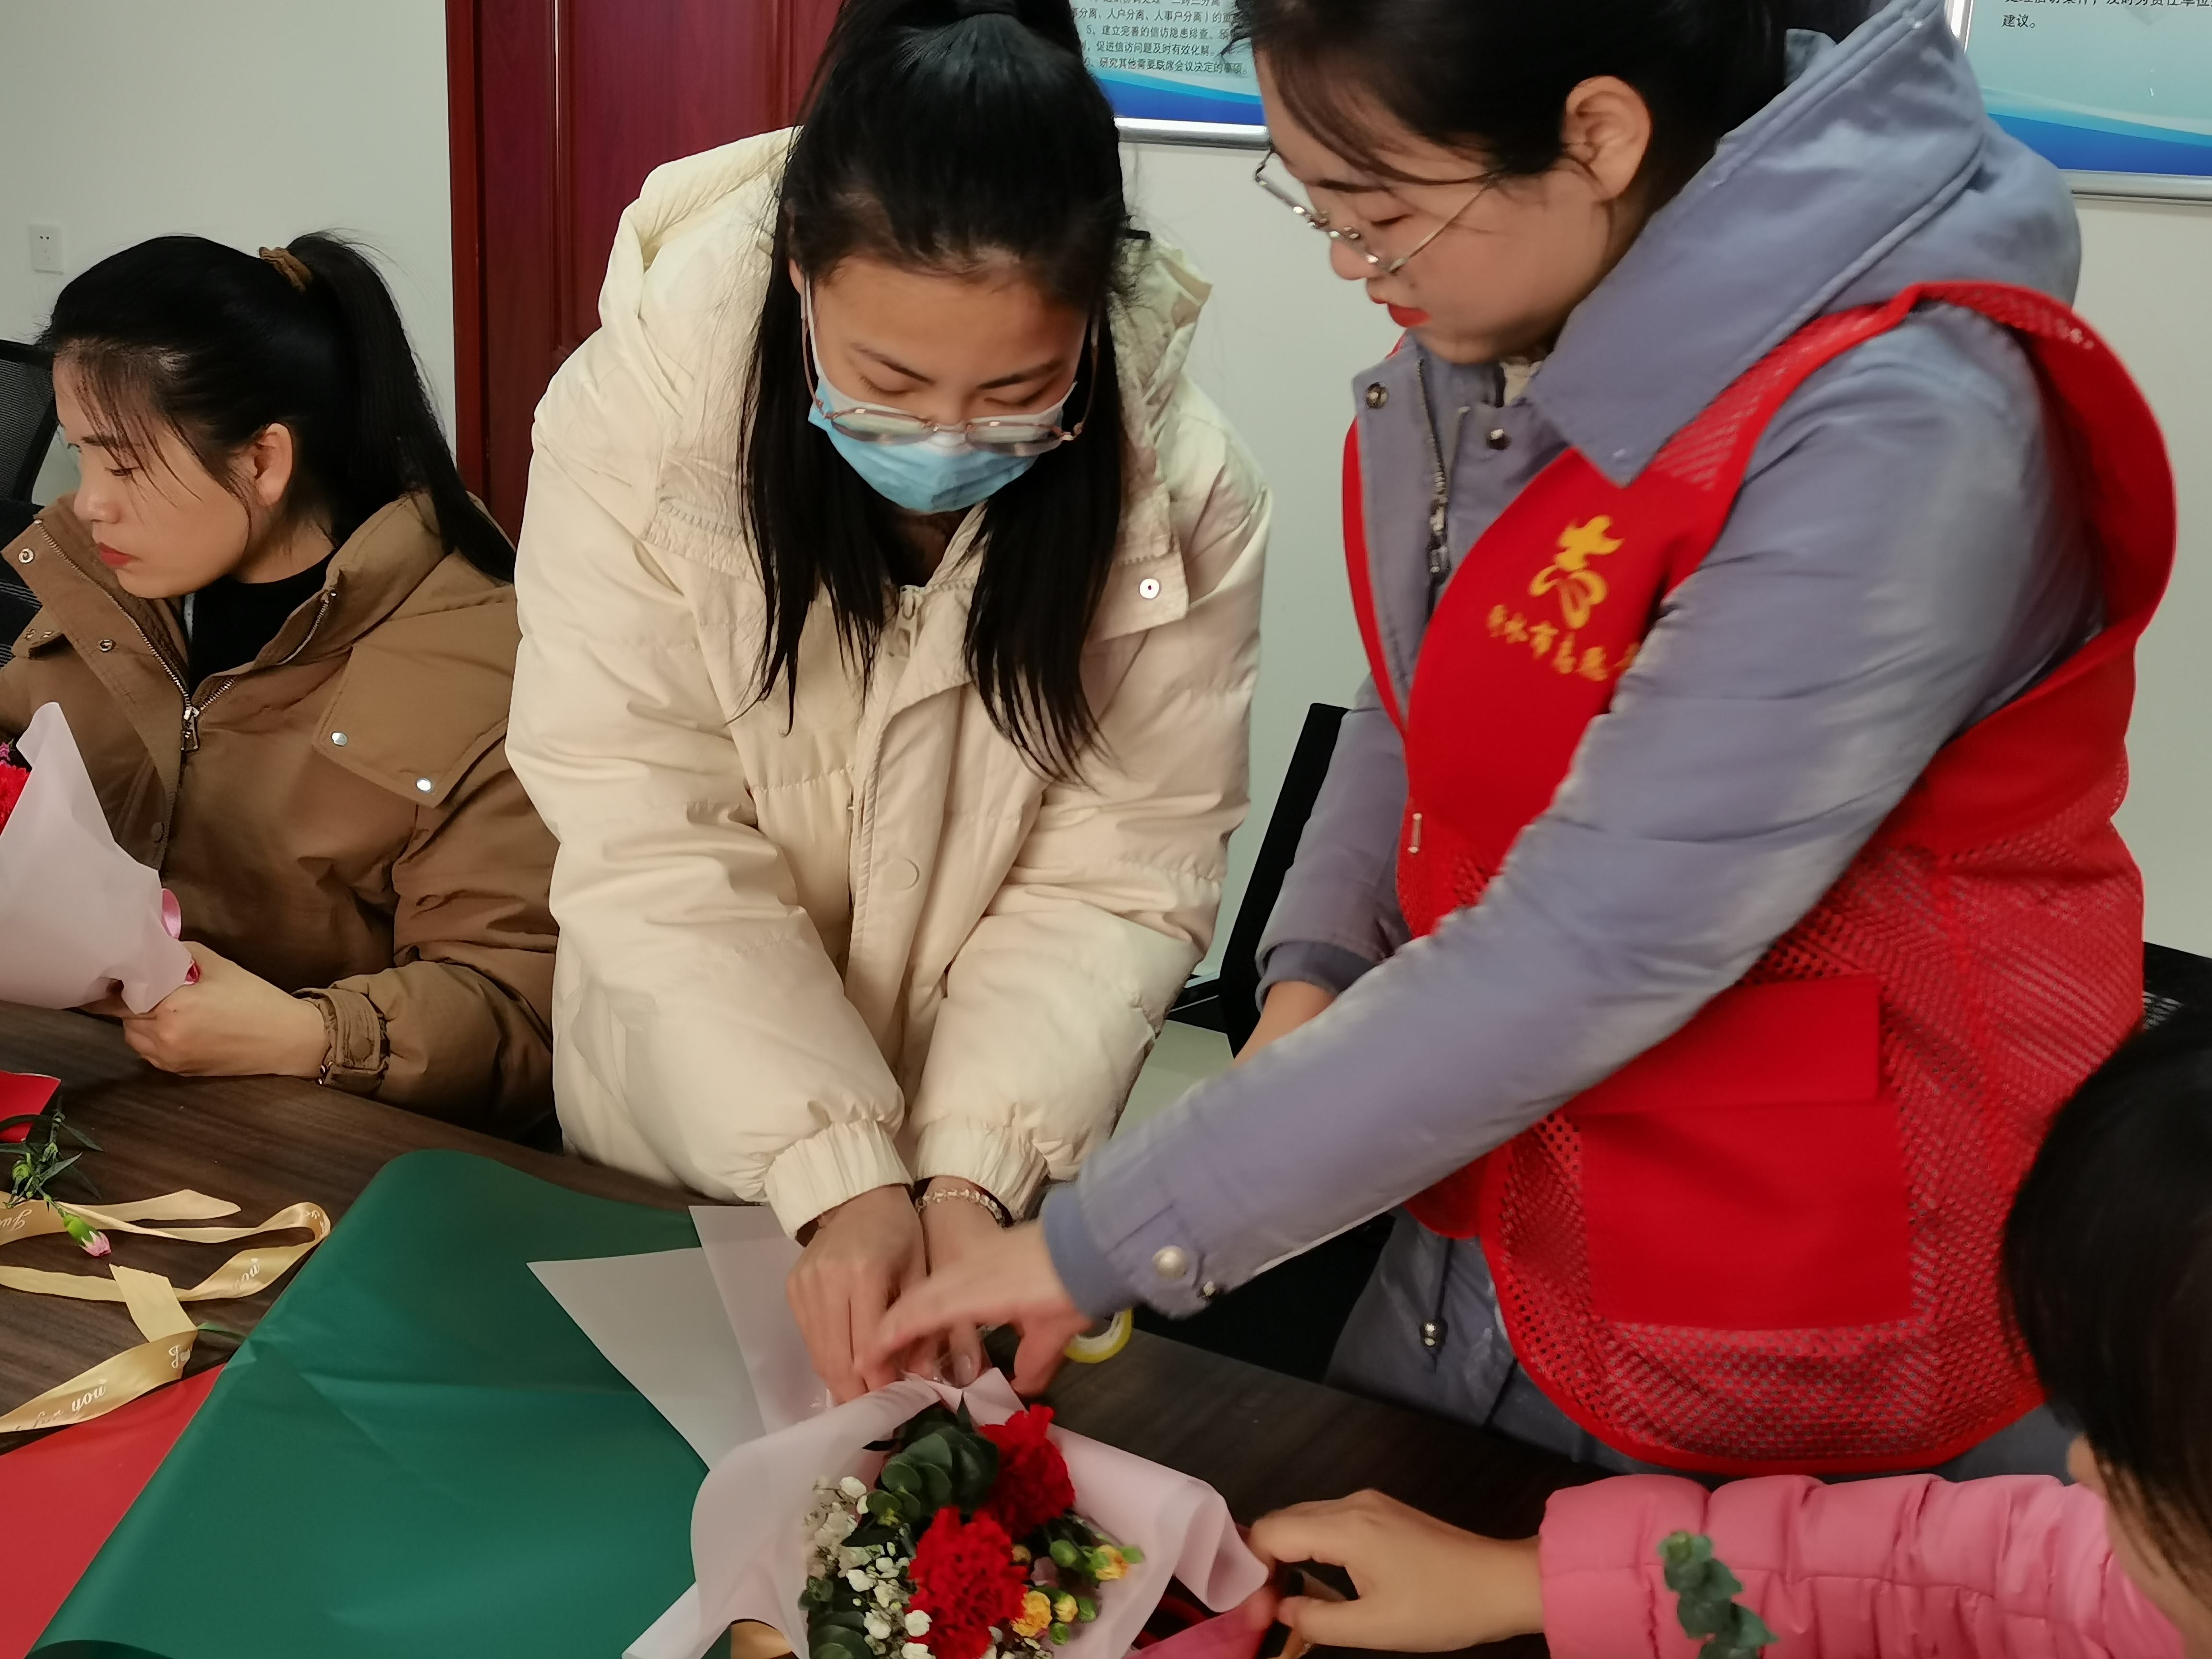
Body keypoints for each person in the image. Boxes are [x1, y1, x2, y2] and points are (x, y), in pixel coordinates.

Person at [871, 0, 2173, 1479]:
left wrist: (1113, 1236)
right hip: (1498, 1188)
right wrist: (1312, 981)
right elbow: (1427, 691)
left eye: (1379, 212)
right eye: (1320, 205)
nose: (1352, 263)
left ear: (1598, 136)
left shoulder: (1899, 423)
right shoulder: (1520, 303)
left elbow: (1600, 937)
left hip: (1788, 1266)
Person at [506, 0, 1267, 1401]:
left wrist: (972, 1173)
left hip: (994, 1156)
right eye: (890, 381)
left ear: (1095, 309)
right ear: (800, 265)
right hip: (689, 1121)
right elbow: (648, 833)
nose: (949, 437)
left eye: (1020, 390)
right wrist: (834, 1171)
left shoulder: (1183, 487)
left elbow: (1120, 871)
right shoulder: (634, 422)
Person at [1240, 1023, 2212, 1659]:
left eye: (2147, 1452)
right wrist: (1520, 1581)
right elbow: (1887, 1569)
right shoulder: (2114, 1575)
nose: (2080, 1467)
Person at [0, 235, 558, 1131]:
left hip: (329, 1145)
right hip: (85, 1094)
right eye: (80, 456)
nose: (89, 502)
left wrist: (309, 1035)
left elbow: (523, 1013)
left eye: (125, 464)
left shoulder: (482, 662)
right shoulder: (104, 588)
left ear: (263, 462)